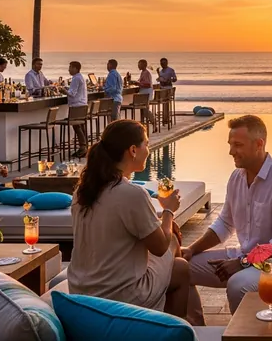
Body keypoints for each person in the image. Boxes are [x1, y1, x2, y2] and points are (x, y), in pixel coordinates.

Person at [181, 115, 272, 325]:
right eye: (230, 145)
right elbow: (225, 223)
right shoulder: (236, 178)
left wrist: (242, 262)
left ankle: (247, 334)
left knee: (238, 284)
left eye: (237, 145)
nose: (231, 152)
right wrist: (192, 249)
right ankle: (197, 332)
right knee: (179, 268)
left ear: (259, 144)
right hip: (244, 254)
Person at [68, 120, 190, 317]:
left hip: (82, 290)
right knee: (178, 257)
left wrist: (159, 220)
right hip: (121, 296)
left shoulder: (83, 191)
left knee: (174, 260)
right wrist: (168, 211)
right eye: (147, 144)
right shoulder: (131, 194)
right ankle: (175, 328)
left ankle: (192, 321)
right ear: (133, 150)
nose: (149, 150)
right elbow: (159, 248)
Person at [130, 59, 159, 133]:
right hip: (144, 94)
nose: (138, 66)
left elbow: (148, 84)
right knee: (144, 111)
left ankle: (154, 124)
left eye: (139, 64)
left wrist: (138, 84)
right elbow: (141, 82)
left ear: (144, 65)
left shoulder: (146, 73)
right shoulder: (143, 72)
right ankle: (145, 126)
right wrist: (136, 82)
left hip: (146, 94)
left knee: (145, 110)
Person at [67, 61, 89, 158]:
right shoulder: (81, 77)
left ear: (75, 68)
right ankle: (84, 147)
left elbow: (72, 93)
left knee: (77, 127)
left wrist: (63, 90)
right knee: (80, 126)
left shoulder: (76, 78)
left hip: (76, 105)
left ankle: (82, 147)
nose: (69, 69)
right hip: (83, 105)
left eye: (70, 67)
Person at [157, 58, 177, 125]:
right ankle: (165, 118)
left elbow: (175, 79)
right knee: (163, 103)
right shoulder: (161, 71)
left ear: (167, 63)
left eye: (164, 63)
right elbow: (160, 78)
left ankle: (166, 118)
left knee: (166, 103)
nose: (162, 64)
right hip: (162, 88)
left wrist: (170, 80)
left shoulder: (170, 70)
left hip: (168, 88)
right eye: (161, 63)